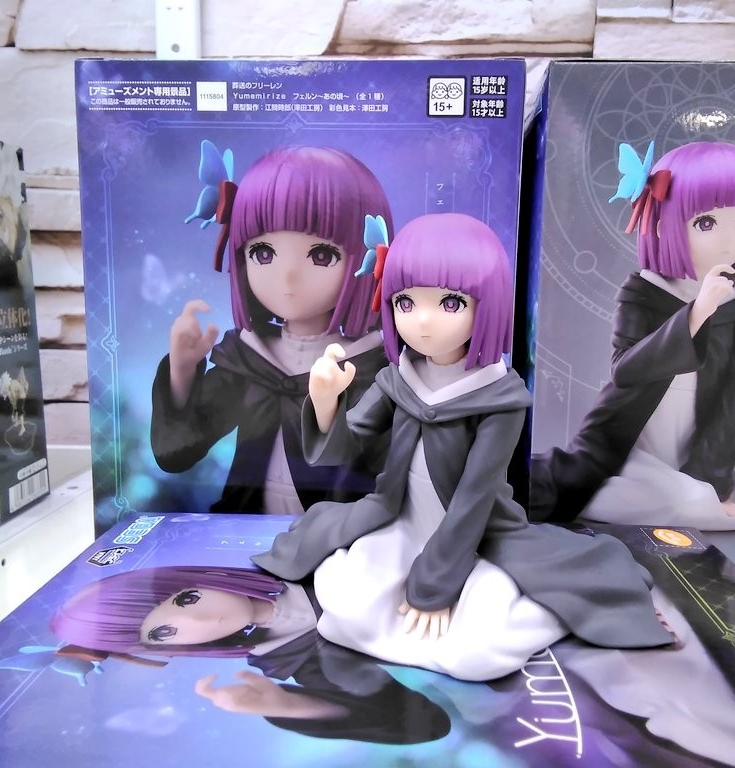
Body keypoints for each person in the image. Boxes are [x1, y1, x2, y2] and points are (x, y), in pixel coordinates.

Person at [252, 212, 673, 682]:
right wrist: (326, 401)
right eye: (406, 302)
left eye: (450, 303)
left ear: (486, 305)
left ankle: (552, 611)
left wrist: (433, 585)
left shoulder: (500, 396)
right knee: (345, 613)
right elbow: (343, 450)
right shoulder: (397, 380)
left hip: (476, 537)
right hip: (398, 522)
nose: (422, 320)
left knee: (477, 652)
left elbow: (474, 497)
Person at [531, 141, 735, 531]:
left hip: (703, 443)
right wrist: (697, 313)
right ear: (663, 224)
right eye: (706, 223)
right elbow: (625, 370)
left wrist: (713, 480)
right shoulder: (644, 291)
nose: (729, 241)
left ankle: (696, 485)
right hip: (633, 440)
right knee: (684, 504)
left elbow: (733, 398)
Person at [150, 146, 393, 515]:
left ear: (366, 260)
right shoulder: (250, 361)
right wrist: (181, 372)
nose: (287, 276)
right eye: (263, 253)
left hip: (335, 534)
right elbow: (177, 452)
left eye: (322, 255)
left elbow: (384, 468)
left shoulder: (370, 368)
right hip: (248, 527)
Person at [49, 565, 450, 744]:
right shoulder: (294, 658)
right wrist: (290, 706)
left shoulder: (298, 556)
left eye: (186, 599)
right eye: (164, 633)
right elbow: (426, 724)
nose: (201, 620)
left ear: (194, 579)